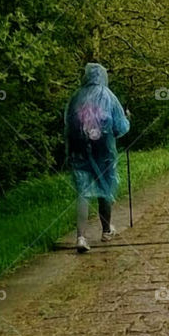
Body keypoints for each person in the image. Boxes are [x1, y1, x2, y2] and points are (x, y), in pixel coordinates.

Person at [65, 62, 130, 253]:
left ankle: (81, 237)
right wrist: (127, 118)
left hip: (79, 149)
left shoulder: (76, 97)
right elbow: (120, 128)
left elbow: (68, 126)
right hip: (104, 150)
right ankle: (106, 230)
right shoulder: (108, 96)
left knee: (82, 192)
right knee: (105, 187)